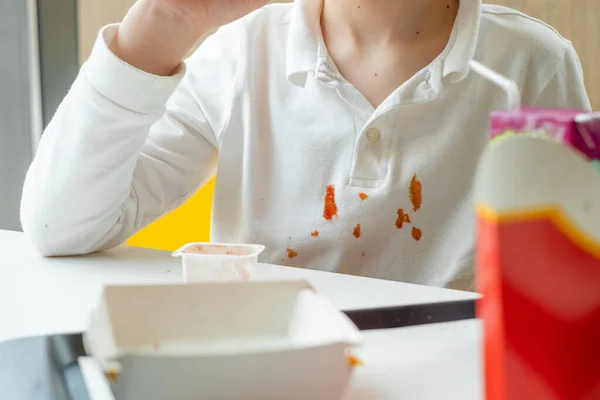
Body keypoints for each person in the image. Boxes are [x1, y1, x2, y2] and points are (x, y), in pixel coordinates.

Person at [21, 0, 590, 291]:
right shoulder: (239, 55)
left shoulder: (531, 63)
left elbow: (570, 273)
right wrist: (163, 21)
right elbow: (62, 227)